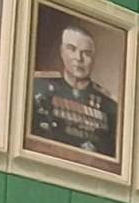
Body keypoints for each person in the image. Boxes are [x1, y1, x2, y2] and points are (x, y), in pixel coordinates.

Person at [31, 22, 119, 156]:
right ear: (62, 52)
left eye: (86, 53)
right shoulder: (38, 86)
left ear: (93, 59)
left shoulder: (110, 106)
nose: (79, 58)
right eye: (72, 49)